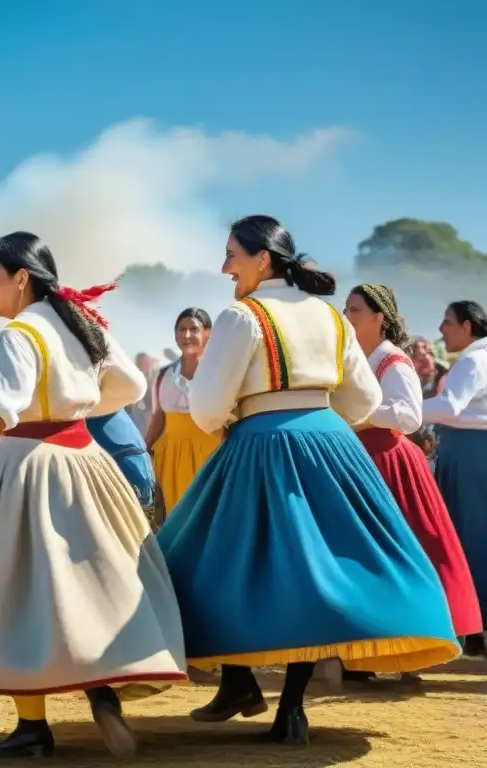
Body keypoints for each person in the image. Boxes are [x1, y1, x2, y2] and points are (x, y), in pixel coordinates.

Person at [156, 216, 457, 745]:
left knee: (201, 556)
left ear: (262, 258)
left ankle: (239, 680)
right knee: (314, 570)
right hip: (330, 444)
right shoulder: (328, 316)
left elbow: (205, 408)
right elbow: (363, 401)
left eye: (231, 254)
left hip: (260, 444)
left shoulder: (241, 315)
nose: (225, 265)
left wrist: (243, 415)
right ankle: (289, 708)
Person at [0, 232, 187, 759]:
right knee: (96, 579)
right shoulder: (81, 322)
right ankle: (102, 687)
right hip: (87, 461)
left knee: (15, 587)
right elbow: (131, 388)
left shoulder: (18, 335)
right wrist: (76, 406)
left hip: (26, 465)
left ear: (21, 277)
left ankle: (32, 727)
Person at [343, 285, 481, 680]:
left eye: (354, 310)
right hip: (363, 460)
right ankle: (369, 651)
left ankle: (414, 651)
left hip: (390, 462)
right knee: (368, 557)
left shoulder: (392, 360)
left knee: (409, 553)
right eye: (347, 310)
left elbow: (408, 416)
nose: (348, 317)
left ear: (378, 318)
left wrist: (362, 415)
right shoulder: (358, 358)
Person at [422, 300, 487, 658]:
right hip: (474, 449)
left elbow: (450, 407)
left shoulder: (474, 359)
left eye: (447, 322)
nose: (441, 330)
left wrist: (397, 407)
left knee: (468, 536)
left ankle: (474, 624)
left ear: (466, 326)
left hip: (469, 451)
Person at [145, 308, 221, 522]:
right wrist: (145, 449)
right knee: (174, 515)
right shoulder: (164, 375)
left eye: (194, 329)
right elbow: (159, 416)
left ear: (208, 333)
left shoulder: (219, 373)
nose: (187, 335)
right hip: (171, 456)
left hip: (211, 451)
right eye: (182, 329)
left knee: (209, 514)